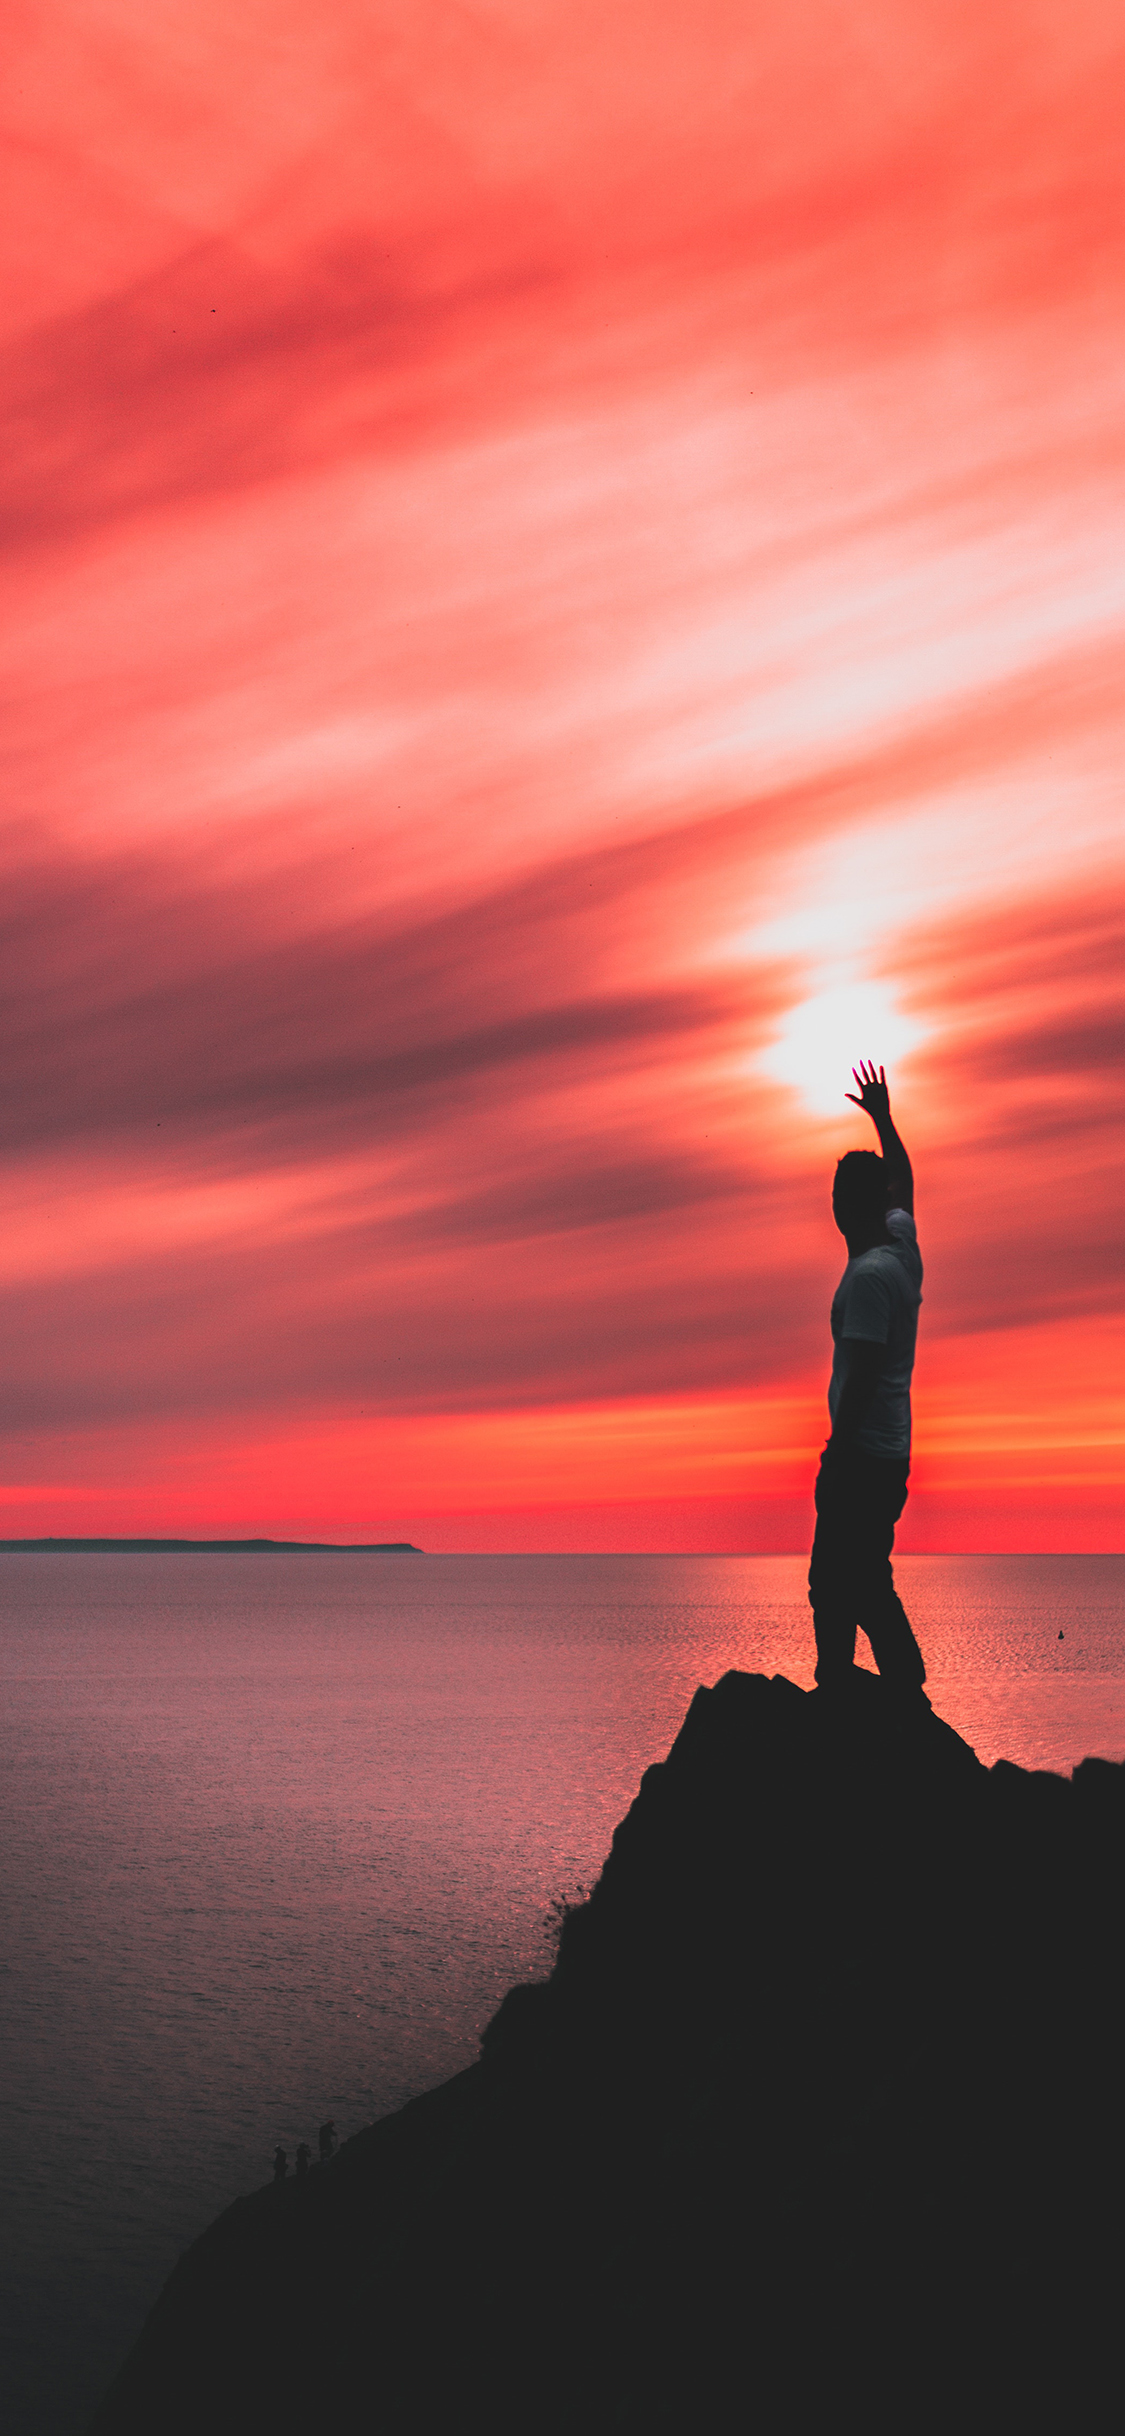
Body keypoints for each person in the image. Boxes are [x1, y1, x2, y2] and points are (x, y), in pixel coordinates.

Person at [808, 1061, 927, 1696]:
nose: (832, 1207)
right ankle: (876, 1684)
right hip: (889, 1453)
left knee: (835, 1577)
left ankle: (857, 1684)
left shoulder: (870, 1278)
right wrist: (884, 1120)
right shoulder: (900, 1244)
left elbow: (861, 1376)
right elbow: (904, 1185)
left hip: (863, 1454)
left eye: (839, 1197)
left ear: (857, 1204)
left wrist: (835, 1452)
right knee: (862, 1573)